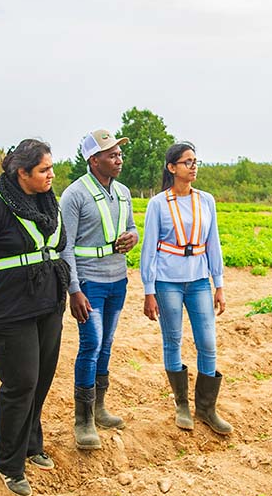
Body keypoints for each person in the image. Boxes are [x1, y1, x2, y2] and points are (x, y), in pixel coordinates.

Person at [0, 139, 69, 496]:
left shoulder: (47, 203)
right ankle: (9, 465)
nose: (51, 175)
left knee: (40, 380)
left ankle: (31, 444)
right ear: (21, 173)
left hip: (46, 304)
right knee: (20, 384)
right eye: (44, 170)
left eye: (51, 168)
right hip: (9, 312)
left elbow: (57, 247)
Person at [140, 142, 231, 436]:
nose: (193, 166)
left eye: (195, 161)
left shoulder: (206, 201)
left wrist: (219, 284)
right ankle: (182, 404)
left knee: (207, 341)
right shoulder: (158, 204)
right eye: (187, 162)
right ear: (172, 168)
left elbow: (213, 243)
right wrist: (148, 289)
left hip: (199, 280)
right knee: (173, 339)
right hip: (168, 280)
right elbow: (149, 248)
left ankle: (206, 408)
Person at [59, 129, 138, 450]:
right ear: (94, 160)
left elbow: (130, 228)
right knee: (90, 345)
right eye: (111, 155)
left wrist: (132, 238)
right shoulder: (74, 195)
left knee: (106, 345)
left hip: (117, 280)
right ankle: (83, 420)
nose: (119, 159)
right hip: (89, 283)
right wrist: (73, 289)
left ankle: (99, 407)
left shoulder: (123, 192)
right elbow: (65, 247)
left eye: (119, 154)